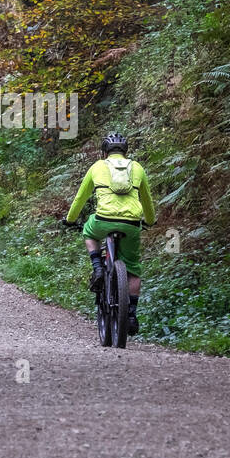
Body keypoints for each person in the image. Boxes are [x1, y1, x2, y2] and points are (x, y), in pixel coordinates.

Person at [64, 132, 155, 335]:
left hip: (103, 221)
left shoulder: (97, 167)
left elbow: (80, 198)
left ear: (104, 152)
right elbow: (147, 201)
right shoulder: (137, 168)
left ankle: (97, 267)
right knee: (132, 269)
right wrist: (149, 221)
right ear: (126, 152)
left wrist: (70, 220)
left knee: (89, 230)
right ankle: (130, 314)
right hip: (131, 223)